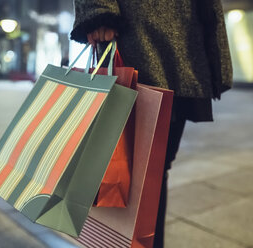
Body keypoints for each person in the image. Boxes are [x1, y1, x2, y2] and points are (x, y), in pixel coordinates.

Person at [70, 0, 232, 247]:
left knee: (156, 170)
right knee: (130, 173)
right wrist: (98, 11)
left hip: (187, 44)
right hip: (134, 34)